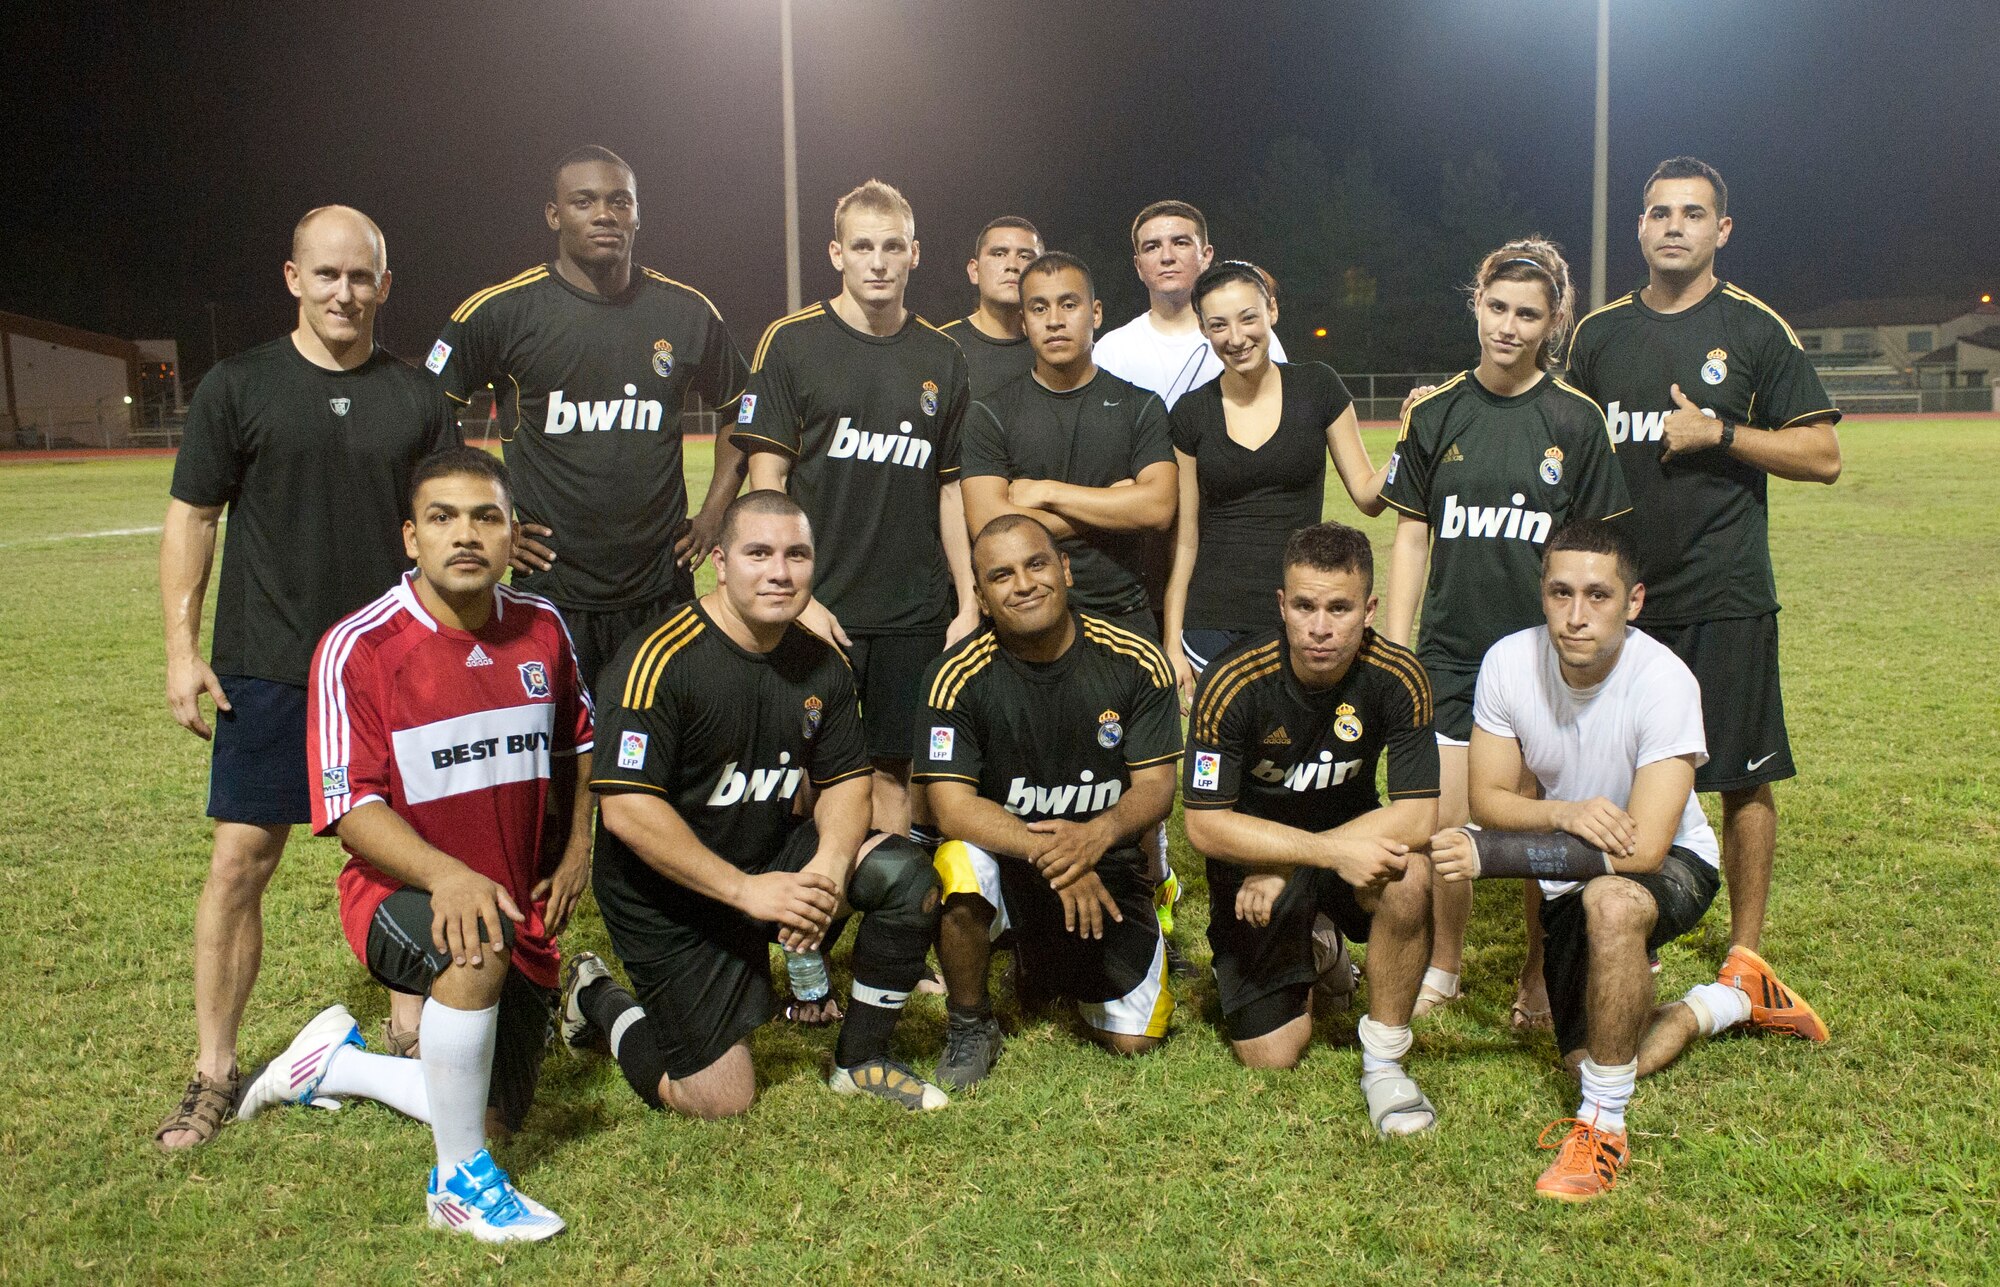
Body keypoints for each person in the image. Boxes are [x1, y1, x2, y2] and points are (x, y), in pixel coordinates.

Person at [155, 205, 459, 1150]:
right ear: (293, 278)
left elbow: (446, 526)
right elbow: (194, 517)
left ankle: (411, 1034)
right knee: (241, 860)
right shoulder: (238, 385)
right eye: (325, 275)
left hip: (392, 672)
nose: (343, 293)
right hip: (270, 666)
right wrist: (180, 646)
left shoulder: (415, 396)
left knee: (405, 852)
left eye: (360, 277)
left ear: (384, 285)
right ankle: (213, 1070)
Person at [237, 446, 593, 1242]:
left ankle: (333, 1065)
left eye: (485, 517)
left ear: (510, 537)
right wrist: (448, 876)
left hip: (510, 906)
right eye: (442, 517)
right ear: (410, 536)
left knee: (488, 1112)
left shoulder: (544, 629)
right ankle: (458, 1188)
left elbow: (580, 740)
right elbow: (349, 806)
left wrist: (575, 854)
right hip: (396, 895)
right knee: (474, 944)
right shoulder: (358, 646)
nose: (464, 535)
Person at [1430, 520, 1827, 1202]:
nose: (1576, 615)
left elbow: (1642, 848)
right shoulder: (1506, 662)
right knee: (1593, 1055)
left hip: (1671, 861)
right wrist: (1563, 810)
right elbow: (1488, 797)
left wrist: (1487, 855)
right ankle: (1724, 1001)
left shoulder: (1664, 680)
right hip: (1572, 864)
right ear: (1542, 593)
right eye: (1560, 593)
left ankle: (1602, 1128)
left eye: (1597, 595)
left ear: (1633, 601)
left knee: (1611, 902)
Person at [564, 490, 949, 1116]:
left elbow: (848, 780)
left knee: (904, 874)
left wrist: (825, 868)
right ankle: (597, 995)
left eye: (797, 555)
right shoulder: (658, 659)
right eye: (759, 553)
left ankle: (860, 1060)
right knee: (721, 1099)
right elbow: (629, 809)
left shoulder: (822, 663)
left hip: (765, 855)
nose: (780, 571)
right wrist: (746, 893)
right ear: (720, 561)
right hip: (667, 893)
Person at [1564, 157, 1841, 964]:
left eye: (1692, 213)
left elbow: (1822, 453)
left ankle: (1744, 954)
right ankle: (1621, 924)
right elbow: (1567, 439)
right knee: (1606, 771)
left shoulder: (1756, 328)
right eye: (1659, 213)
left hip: (1724, 591)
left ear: (1720, 230)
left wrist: (1720, 433)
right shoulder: (1598, 334)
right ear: (1640, 227)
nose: (1674, 225)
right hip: (1618, 600)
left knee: (1741, 775)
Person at [1378, 238, 1632, 1027]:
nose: (1509, 326)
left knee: (1532, 826)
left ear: (1554, 321)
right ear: (1476, 304)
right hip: (1450, 651)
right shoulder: (1436, 409)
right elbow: (1413, 534)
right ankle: (1445, 966)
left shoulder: (1576, 420)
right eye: (1497, 307)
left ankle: (1538, 971)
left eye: (1529, 313)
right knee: (1448, 822)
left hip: (1539, 655)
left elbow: (1595, 554)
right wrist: (1395, 645)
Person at [427, 144, 751, 694]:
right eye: (584, 201)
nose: (605, 214)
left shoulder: (687, 312)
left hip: (660, 590)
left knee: (661, 764)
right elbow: (429, 410)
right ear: (554, 215)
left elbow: (745, 409)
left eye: (620, 201)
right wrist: (489, 520)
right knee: (557, 768)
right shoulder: (500, 312)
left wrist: (716, 510)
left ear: (638, 214)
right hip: (548, 591)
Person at [731, 178, 980, 842]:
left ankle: (886, 939)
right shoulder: (791, 342)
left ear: (915, 254)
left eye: (892, 246)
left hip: (911, 609)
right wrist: (797, 596)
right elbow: (768, 483)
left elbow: (950, 488)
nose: (877, 261)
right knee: (808, 771)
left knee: (895, 773)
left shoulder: (942, 356)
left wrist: (968, 601)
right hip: (821, 606)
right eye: (863, 246)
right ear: (836, 253)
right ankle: (809, 919)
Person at [1181, 523, 1440, 1135]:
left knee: (1412, 873)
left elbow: (1419, 814)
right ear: (1281, 605)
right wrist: (1307, 857)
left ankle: (1383, 1060)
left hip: (1335, 853)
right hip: (1256, 861)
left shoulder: (1399, 676)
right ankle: (1320, 950)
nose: (1320, 627)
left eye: (1339, 608)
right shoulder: (1232, 682)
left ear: (1369, 610)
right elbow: (1205, 825)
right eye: (1304, 606)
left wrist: (1304, 861)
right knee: (1271, 1056)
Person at [916, 515, 1183, 1089]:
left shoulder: (1136, 658)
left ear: (1064, 570)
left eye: (1037, 564)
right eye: (1001, 575)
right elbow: (952, 809)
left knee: (1134, 1041)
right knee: (960, 863)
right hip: (1008, 859)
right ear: (982, 598)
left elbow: (1158, 788)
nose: (1024, 584)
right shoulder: (954, 677)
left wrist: (1094, 837)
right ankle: (970, 1023)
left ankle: (1043, 964)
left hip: (1107, 865)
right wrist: (1057, 853)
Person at [1164, 261, 1385, 702]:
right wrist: (1171, 640)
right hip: (1213, 621)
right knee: (1226, 761)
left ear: (1272, 313)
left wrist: (1409, 443)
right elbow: (1185, 538)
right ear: (1204, 330)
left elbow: (1368, 495)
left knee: (1297, 757)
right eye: (1219, 325)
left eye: (1249, 318)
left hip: (1302, 617)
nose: (1236, 336)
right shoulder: (1190, 412)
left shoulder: (1318, 385)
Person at [960, 251, 1178, 639]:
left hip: (1123, 613)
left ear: (1095, 313)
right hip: (1027, 618)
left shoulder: (1140, 405)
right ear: (1024, 322)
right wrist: (1114, 508)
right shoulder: (990, 413)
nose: (1055, 320)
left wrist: (1046, 492)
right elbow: (989, 526)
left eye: (1069, 304)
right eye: (1039, 308)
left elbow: (1158, 508)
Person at [1094, 200, 1290, 409]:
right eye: (1152, 247)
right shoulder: (1112, 351)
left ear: (1206, 256)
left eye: (1180, 243)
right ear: (1138, 265)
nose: (1167, 257)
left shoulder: (1253, 340)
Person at [939, 217, 1043, 399]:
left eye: (1025, 256)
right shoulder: (942, 347)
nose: (1012, 266)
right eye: (999, 254)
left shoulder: (1056, 350)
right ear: (974, 271)